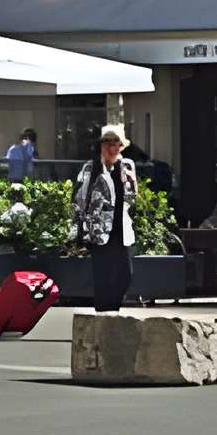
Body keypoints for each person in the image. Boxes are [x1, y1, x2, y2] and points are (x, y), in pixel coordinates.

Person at [73, 126, 140, 314]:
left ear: (121, 145)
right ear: (101, 145)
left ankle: (113, 308)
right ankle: (104, 315)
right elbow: (80, 197)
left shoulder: (127, 166)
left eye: (116, 143)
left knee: (125, 275)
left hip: (122, 228)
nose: (112, 148)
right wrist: (81, 224)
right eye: (107, 143)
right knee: (103, 277)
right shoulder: (91, 167)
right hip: (99, 231)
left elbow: (133, 195)